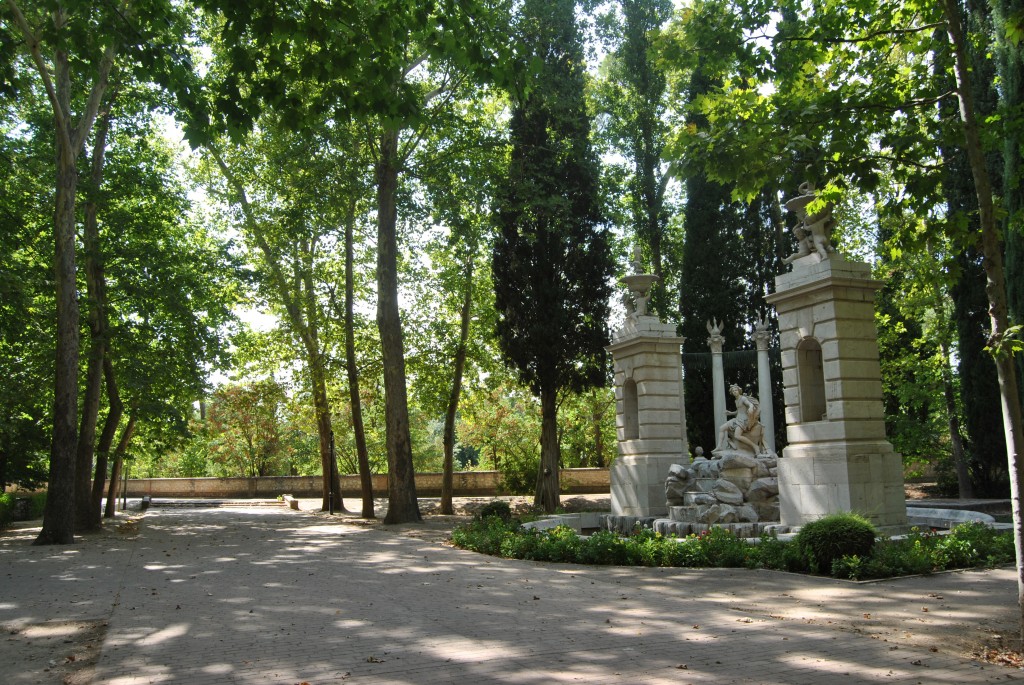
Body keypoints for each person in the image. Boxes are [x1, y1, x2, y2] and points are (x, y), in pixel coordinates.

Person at [713, 384, 761, 454]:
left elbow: (750, 404)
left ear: (739, 391)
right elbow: (738, 411)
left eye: (736, 390)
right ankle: (719, 446)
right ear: (732, 393)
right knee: (721, 428)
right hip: (737, 419)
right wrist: (731, 413)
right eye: (733, 391)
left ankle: (755, 446)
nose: (734, 392)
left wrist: (750, 407)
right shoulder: (736, 400)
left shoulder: (743, 398)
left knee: (737, 435)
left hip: (743, 420)